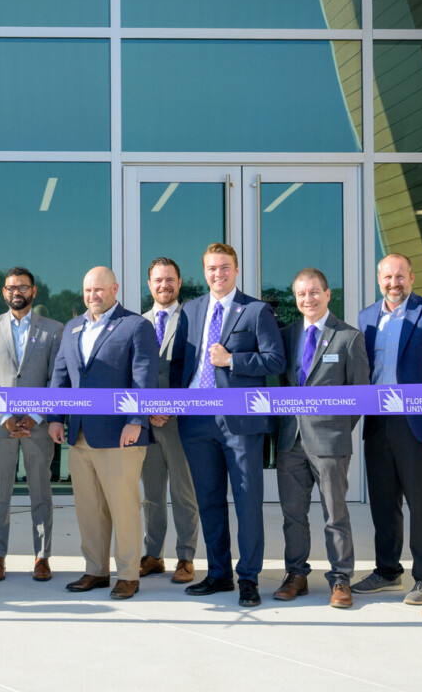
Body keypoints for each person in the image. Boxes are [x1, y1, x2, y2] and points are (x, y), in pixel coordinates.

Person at [177, 244, 286, 607]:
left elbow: (275, 360)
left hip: (239, 421)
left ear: (236, 270)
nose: (217, 274)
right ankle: (219, 573)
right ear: (204, 271)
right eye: (211, 268)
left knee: (247, 502)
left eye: (224, 267)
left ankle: (249, 578)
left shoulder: (256, 311)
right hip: (196, 420)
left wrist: (231, 360)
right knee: (208, 501)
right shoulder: (190, 310)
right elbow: (182, 365)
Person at [48, 266, 160, 600]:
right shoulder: (72, 328)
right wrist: (55, 417)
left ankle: (127, 574)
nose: (93, 296)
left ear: (114, 289)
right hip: (80, 434)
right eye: (87, 291)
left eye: (99, 290)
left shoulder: (136, 326)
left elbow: (144, 376)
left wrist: (136, 420)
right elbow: (61, 376)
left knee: (123, 506)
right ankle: (96, 570)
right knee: (89, 508)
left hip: (120, 434)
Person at [354, 254, 422, 606]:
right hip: (378, 419)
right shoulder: (367, 317)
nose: (393, 283)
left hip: (417, 421)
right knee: (383, 500)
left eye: (400, 276)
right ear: (378, 279)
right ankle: (387, 571)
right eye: (387, 277)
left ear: (411, 278)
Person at [274, 267, 370, 608]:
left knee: (335, 514)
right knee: (292, 515)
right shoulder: (286, 335)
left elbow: (360, 397)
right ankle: (296, 574)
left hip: (330, 443)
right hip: (290, 440)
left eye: (314, 292)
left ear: (328, 294)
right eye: (301, 294)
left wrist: (338, 429)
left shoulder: (349, 337)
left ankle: (341, 579)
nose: (308, 299)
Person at [0, 268, 62, 582]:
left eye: (23, 287)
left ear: (34, 291)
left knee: (41, 491)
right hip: (0, 426)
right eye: (11, 287)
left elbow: (57, 379)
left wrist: (37, 415)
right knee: (0, 493)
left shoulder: (54, 330)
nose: (16, 292)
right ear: (4, 292)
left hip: (39, 426)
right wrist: (5, 416)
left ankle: (43, 557)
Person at [139, 257, 200, 584]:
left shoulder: (192, 320)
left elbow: (196, 370)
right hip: (148, 423)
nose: (164, 285)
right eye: (158, 280)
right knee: (150, 494)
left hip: (180, 422)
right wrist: (147, 409)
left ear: (179, 282)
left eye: (170, 280)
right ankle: (153, 555)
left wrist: (174, 407)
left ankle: (186, 557)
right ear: (149, 284)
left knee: (183, 492)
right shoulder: (138, 323)